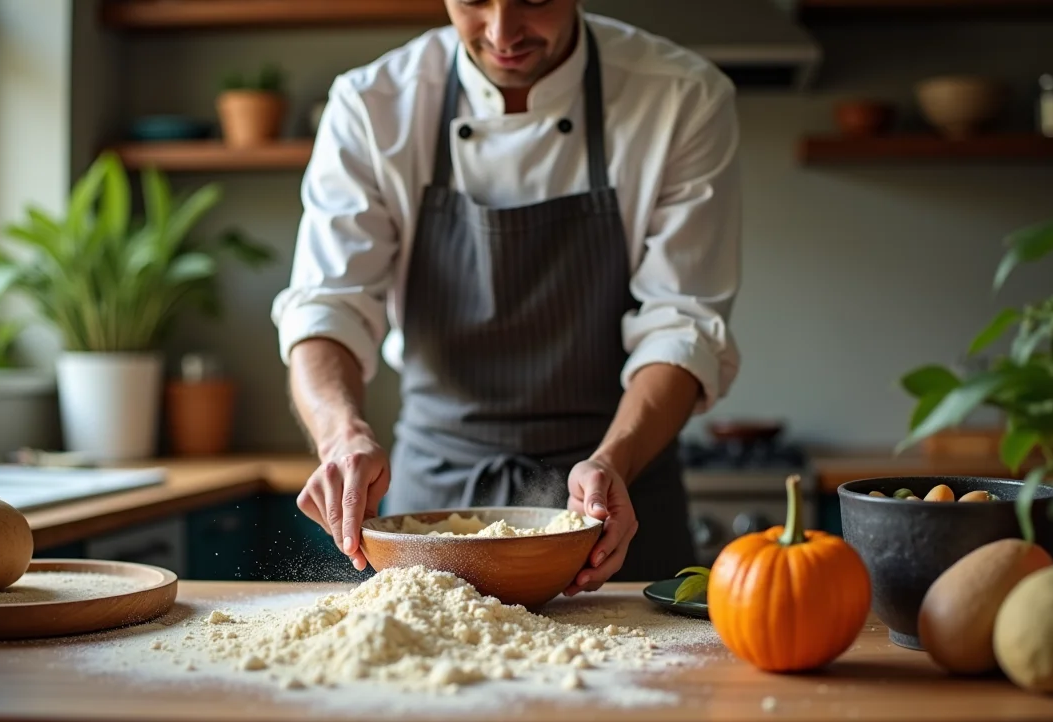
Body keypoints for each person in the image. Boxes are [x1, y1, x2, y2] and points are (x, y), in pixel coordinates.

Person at [273, 0, 741, 594]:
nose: (502, 32)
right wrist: (342, 437)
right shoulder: (373, 105)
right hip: (432, 505)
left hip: (613, 499)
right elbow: (328, 305)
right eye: (472, 1)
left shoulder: (680, 97)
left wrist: (610, 463)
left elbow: (683, 323)